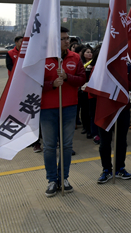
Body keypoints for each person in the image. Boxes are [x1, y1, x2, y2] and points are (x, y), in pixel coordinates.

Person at [42, 27, 86, 197]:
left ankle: (64, 178)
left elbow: (82, 79)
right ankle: (52, 180)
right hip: (47, 109)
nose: (67, 41)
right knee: (49, 146)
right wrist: (52, 85)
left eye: (67, 38)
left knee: (66, 146)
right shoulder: (43, 58)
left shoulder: (75, 57)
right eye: (62, 38)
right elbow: (34, 83)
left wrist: (68, 77)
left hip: (69, 107)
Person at [97, 61, 131, 183]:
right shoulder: (101, 64)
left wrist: (120, 80)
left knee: (121, 141)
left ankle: (120, 168)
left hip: (122, 108)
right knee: (105, 142)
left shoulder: (128, 65)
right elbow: (95, 84)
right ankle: (106, 169)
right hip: (105, 108)